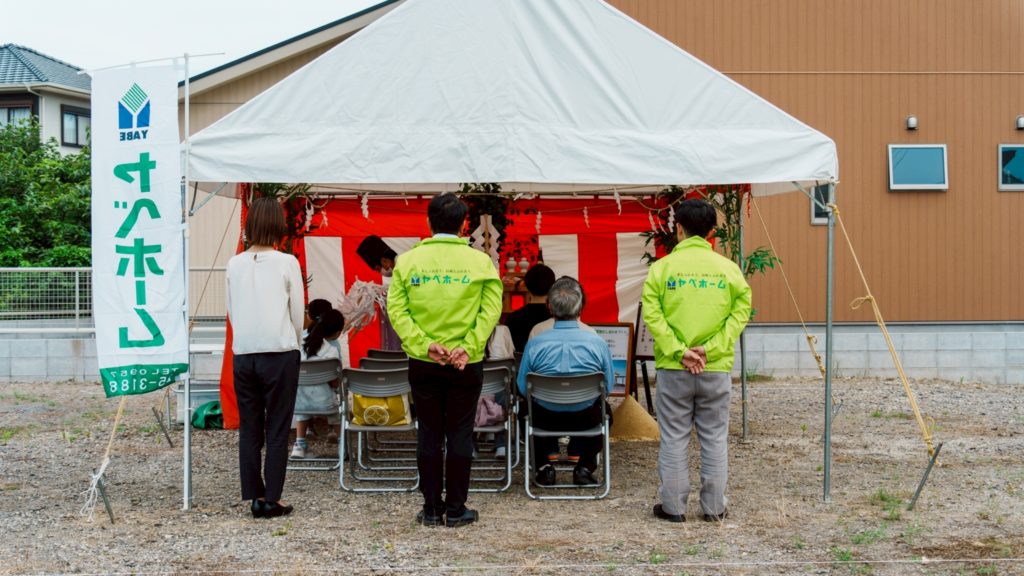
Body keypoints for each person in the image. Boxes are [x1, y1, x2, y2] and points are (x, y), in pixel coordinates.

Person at [387, 193, 502, 528]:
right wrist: (469, 345)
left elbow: (398, 311)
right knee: (460, 433)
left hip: (424, 361)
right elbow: (491, 310)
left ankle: (432, 509)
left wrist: (425, 345)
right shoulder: (480, 262)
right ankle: (456, 508)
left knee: (429, 433)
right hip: (466, 362)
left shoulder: (407, 262)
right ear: (464, 224)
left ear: (429, 222)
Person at [641, 198, 752, 523]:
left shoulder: (661, 269)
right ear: (712, 232)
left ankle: (673, 508)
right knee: (715, 437)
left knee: (673, 437)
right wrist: (711, 349)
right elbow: (740, 313)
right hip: (715, 367)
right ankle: (714, 508)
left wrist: (681, 351)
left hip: (674, 367)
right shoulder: (728, 270)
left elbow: (653, 316)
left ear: (678, 228)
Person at [225, 197, 305, 519]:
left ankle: (254, 496)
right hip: (280, 351)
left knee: (250, 427)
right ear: (277, 225)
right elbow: (297, 312)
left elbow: (231, 310)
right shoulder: (287, 262)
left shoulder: (234, 263)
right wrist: (295, 343)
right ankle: (272, 498)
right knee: (277, 427)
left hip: (244, 353)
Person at [517, 276, 615, 487]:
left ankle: (544, 467)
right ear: (580, 308)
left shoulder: (535, 343)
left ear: (550, 308)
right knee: (605, 412)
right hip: (585, 416)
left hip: (543, 417)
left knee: (524, 412)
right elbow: (607, 387)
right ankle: (585, 467)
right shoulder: (597, 343)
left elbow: (522, 387)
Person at [291, 308, 347, 459]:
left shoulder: (298, 346)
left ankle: (299, 445)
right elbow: (335, 384)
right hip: (326, 405)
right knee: (336, 408)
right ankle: (343, 446)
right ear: (337, 333)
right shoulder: (331, 352)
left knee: (303, 403)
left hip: (299, 404)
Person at [357, 235, 402, 351]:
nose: (380, 272)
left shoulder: (405, 268)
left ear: (384, 261)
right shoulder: (400, 269)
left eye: (378, 269)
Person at [504, 264, 555, 352]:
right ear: (552, 287)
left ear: (526, 285)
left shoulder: (512, 319)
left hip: (519, 364)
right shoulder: (558, 318)